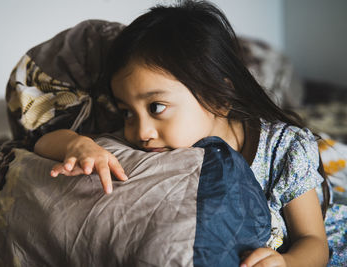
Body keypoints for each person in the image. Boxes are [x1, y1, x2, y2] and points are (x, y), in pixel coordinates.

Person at [34, 1, 330, 266]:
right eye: (126, 112)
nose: (141, 131)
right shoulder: (137, 145)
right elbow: (40, 144)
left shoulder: (283, 149)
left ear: (219, 97)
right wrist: (79, 145)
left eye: (157, 107)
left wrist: (287, 263)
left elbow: (314, 243)